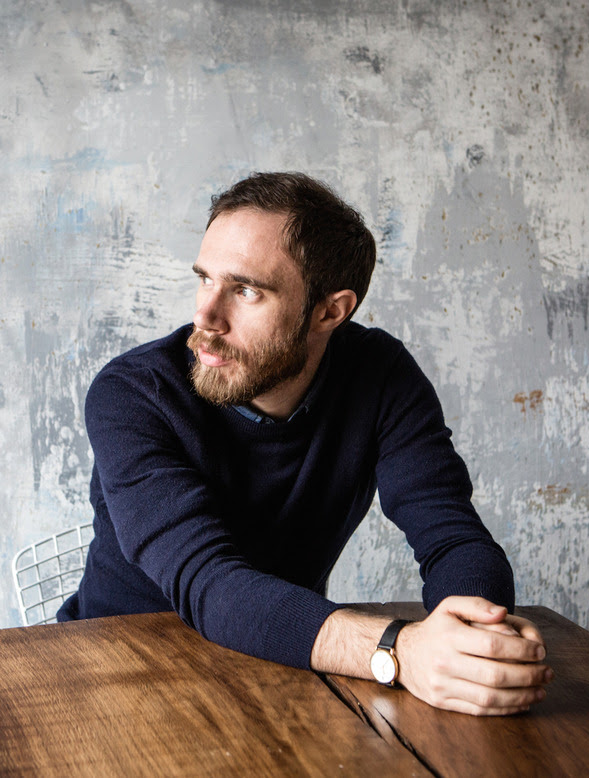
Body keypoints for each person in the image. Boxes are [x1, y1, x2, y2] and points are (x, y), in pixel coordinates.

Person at [57, 171, 552, 715]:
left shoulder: (379, 376)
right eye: (205, 279)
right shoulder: (133, 394)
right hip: (120, 678)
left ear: (329, 311)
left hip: (283, 668)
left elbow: (452, 537)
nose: (206, 316)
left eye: (246, 290)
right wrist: (398, 650)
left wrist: (475, 638)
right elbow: (211, 585)